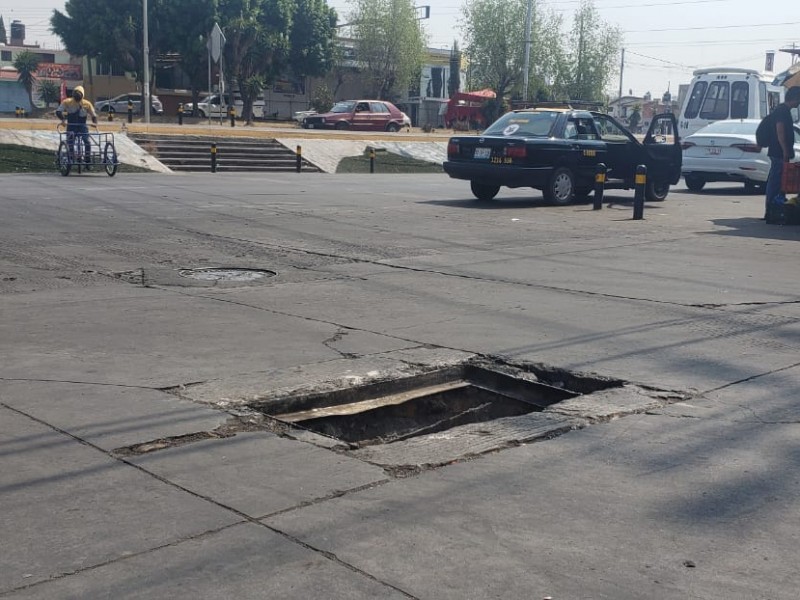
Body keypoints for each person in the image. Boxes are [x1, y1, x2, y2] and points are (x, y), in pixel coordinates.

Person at [764, 86, 800, 218]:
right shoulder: (782, 111)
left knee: (779, 180)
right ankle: (771, 209)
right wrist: (785, 150)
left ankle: (775, 207)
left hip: (779, 151)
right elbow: (780, 132)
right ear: (795, 98)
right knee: (776, 180)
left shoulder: (783, 110)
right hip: (778, 151)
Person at [55, 85, 98, 165]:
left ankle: (87, 158)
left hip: (82, 126)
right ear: (73, 95)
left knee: (87, 141)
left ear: (82, 95)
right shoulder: (67, 102)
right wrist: (63, 120)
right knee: (70, 142)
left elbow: (93, 115)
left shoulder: (87, 104)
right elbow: (58, 112)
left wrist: (94, 122)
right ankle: (71, 157)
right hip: (71, 125)